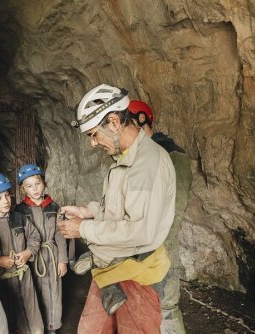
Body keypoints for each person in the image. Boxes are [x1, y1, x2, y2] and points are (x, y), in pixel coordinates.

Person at [59, 84, 176, 333]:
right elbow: (119, 210)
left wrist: (84, 228)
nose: (92, 143)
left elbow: (140, 231)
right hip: (111, 268)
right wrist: (88, 211)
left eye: (93, 135)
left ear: (113, 122)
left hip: (138, 275)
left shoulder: (147, 164)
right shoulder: (125, 157)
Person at [129, 99, 192, 334]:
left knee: (165, 307)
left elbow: (169, 218)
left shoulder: (169, 155)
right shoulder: (150, 155)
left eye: (127, 125)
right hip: (147, 250)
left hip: (160, 251)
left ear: (141, 121)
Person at [0, 172, 44, 334]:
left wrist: (28, 252)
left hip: (25, 278)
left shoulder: (19, 218)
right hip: (0, 281)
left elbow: (35, 237)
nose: (6, 201)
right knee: (8, 318)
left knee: (33, 315)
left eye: (7, 195)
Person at [14, 164, 68, 334]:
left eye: (37, 184)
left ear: (44, 183)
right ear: (23, 189)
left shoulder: (54, 207)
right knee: (34, 293)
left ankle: (52, 328)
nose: (34, 189)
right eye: (29, 186)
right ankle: (37, 328)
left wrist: (63, 260)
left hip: (52, 256)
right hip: (32, 258)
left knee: (53, 293)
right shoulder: (20, 211)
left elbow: (60, 234)